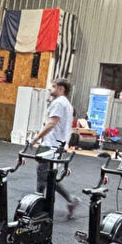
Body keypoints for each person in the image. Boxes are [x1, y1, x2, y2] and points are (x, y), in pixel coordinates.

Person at [31, 78, 78, 218]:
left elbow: (52, 123)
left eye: (53, 87)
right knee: (48, 175)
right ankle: (69, 199)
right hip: (57, 145)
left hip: (51, 145)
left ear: (61, 89)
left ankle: (36, 203)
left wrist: (36, 138)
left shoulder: (58, 103)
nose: (50, 89)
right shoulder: (67, 104)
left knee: (43, 173)